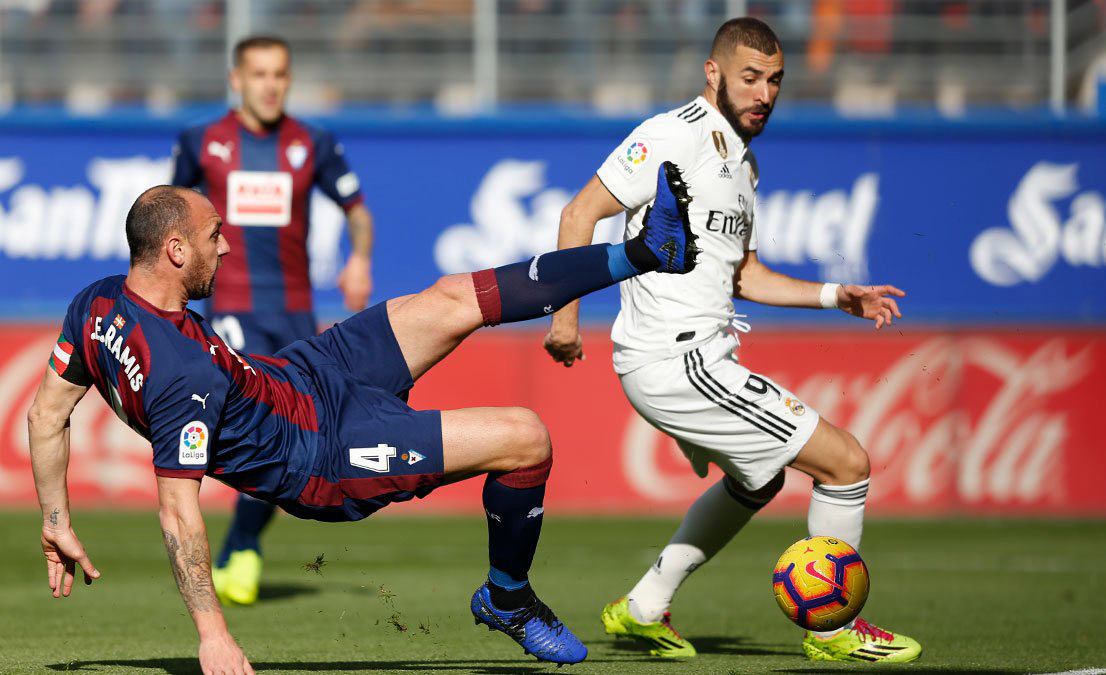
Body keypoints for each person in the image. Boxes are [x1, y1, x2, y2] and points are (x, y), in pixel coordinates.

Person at [28, 168, 696, 673]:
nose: (226, 249)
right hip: (323, 455)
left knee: (451, 297)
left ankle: (644, 251)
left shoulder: (98, 303)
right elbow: (178, 514)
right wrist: (214, 634)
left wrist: (56, 521)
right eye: (213, 237)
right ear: (174, 250)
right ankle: (508, 598)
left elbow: (47, 410)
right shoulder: (182, 377)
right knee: (527, 438)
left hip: (306, 373)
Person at [543, 17, 922, 664]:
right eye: (750, 77)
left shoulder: (742, 162)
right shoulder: (672, 135)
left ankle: (642, 607)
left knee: (758, 480)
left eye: (775, 80)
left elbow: (743, 273)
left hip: (700, 355)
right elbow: (580, 214)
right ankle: (834, 630)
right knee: (847, 463)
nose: (765, 93)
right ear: (712, 74)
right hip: (677, 356)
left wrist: (837, 294)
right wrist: (565, 317)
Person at [171, 34, 375, 606]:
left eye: (279, 74)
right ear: (236, 79)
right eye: (258, 74)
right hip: (232, 305)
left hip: (294, 310)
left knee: (292, 438)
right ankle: (231, 547)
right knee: (246, 425)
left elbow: (357, 211)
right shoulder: (202, 142)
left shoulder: (313, 143)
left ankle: (241, 543)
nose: (269, 84)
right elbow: (170, 214)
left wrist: (359, 259)